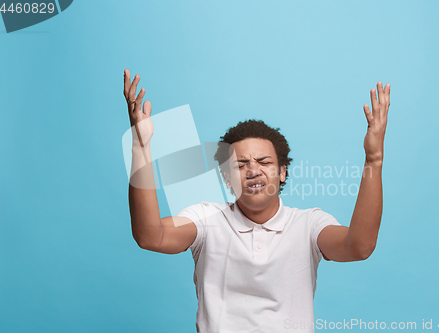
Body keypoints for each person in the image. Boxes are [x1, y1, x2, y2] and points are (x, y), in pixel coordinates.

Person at [123, 69, 390, 332]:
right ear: (227, 179)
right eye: (240, 165)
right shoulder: (205, 219)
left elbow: (358, 247)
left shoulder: (308, 224)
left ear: (282, 171)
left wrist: (374, 159)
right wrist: (140, 148)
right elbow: (150, 236)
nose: (253, 171)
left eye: (264, 162)